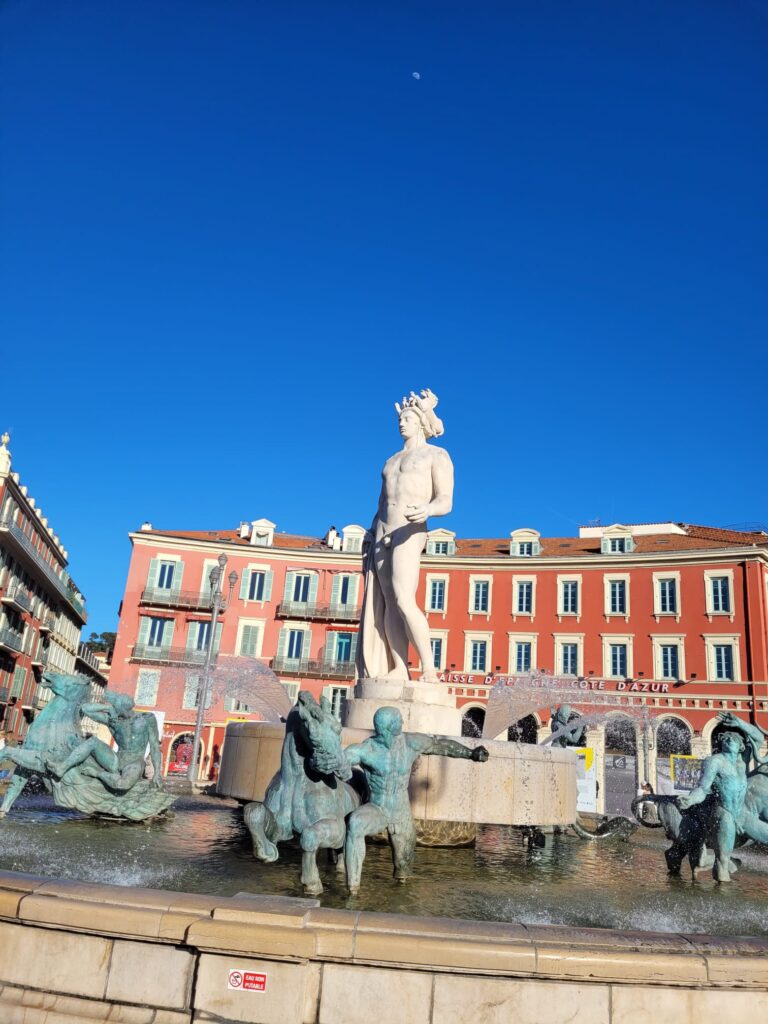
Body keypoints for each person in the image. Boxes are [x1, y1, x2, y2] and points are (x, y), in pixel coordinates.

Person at [356, 389, 454, 683]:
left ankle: (428, 668)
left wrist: (427, 510)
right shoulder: (390, 461)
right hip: (384, 530)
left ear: (421, 423)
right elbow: (381, 502)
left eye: (409, 418)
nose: (402, 423)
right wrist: (372, 530)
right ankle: (399, 666)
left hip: (410, 528)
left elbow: (446, 500)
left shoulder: (436, 455)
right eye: (401, 418)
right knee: (387, 602)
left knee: (403, 598)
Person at [343, 706, 488, 893]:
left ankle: (400, 897)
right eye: (399, 720)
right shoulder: (366, 750)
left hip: (401, 812)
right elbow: (343, 760)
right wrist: (332, 763)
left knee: (403, 866)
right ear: (389, 726)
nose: (403, 722)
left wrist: (470, 753)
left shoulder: (411, 742)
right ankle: (352, 890)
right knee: (355, 823)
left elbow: (441, 746)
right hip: (377, 808)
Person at [47, 692, 163, 792]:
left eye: (116, 708)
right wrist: (107, 708)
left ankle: (98, 774)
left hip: (135, 763)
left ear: (125, 708)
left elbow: (154, 746)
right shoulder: (113, 720)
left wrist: (157, 773)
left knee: (122, 784)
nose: (114, 711)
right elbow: (85, 708)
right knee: (93, 741)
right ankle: (62, 768)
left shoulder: (146, 719)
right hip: (116, 760)